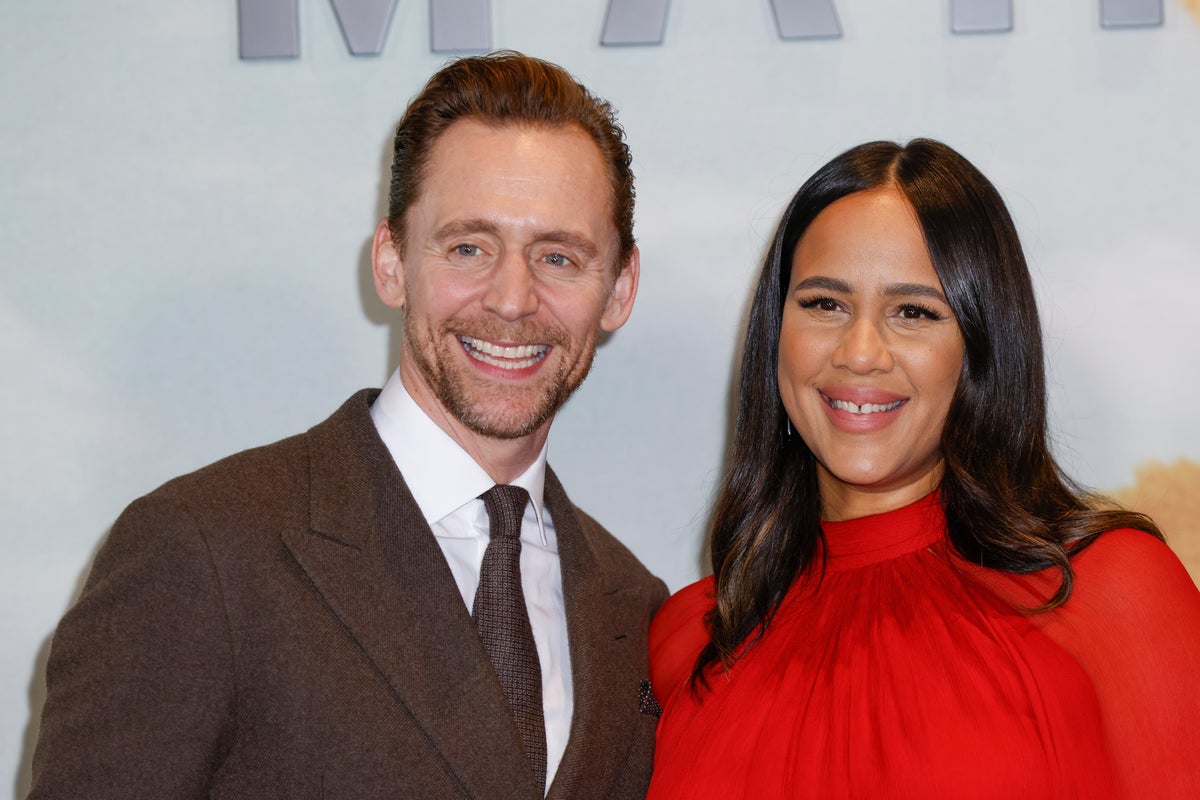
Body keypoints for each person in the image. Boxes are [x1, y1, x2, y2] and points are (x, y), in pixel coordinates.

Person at [29, 51, 667, 800]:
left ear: (619, 288)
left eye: (558, 257)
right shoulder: (203, 551)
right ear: (391, 263)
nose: (511, 298)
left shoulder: (636, 605)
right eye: (469, 247)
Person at [647, 139, 1200, 799]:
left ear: (980, 349)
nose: (860, 353)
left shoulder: (1111, 592)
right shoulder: (692, 637)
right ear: (776, 334)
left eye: (913, 312)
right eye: (824, 304)